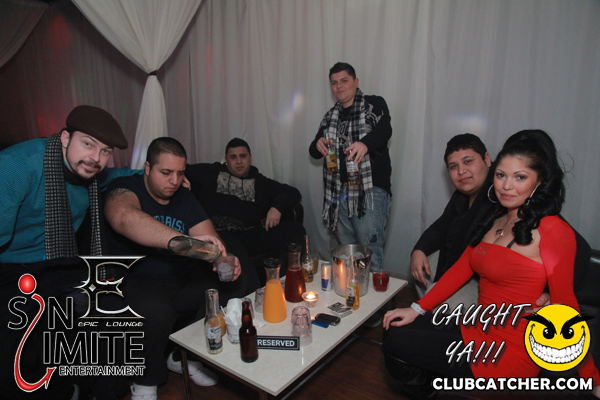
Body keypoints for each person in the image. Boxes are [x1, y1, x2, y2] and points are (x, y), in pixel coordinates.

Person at [383, 130, 600, 398]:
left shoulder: (552, 228)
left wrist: (592, 379)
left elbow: (568, 308)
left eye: (520, 177)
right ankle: (434, 388)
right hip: (477, 326)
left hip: (509, 349)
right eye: (501, 175)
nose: (506, 186)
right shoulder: (496, 219)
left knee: (398, 340)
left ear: (539, 181)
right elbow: (461, 269)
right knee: (395, 327)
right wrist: (417, 307)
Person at [0, 105, 131, 400]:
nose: (96, 158)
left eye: (105, 151)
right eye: (88, 144)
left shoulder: (91, 173)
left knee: (111, 318)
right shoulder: (16, 166)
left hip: (60, 264)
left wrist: (159, 177)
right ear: (64, 138)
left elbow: (121, 174)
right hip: (11, 268)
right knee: (10, 359)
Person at [104, 137, 243, 400]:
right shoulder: (125, 189)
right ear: (147, 168)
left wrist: (222, 258)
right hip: (136, 275)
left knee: (227, 287)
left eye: (180, 173)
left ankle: (185, 357)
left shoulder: (184, 197)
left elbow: (211, 239)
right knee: (156, 310)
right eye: (166, 172)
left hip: (179, 275)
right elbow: (124, 218)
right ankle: (145, 383)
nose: (174, 180)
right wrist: (183, 242)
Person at [309, 62, 392, 271]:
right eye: (334, 83)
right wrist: (318, 143)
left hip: (370, 191)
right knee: (348, 253)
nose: (339, 86)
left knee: (369, 249)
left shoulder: (373, 104)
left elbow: (385, 130)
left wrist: (365, 144)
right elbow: (313, 151)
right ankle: (353, 290)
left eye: (344, 80)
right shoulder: (330, 116)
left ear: (356, 82)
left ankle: (375, 293)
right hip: (339, 193)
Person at [186, 137, 305, 283]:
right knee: (232, 245)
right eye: (233, 157)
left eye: (243, 156)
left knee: (295, 230)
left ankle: (287, 281)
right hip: (221, 233)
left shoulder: (260, 182)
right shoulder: (212, 172)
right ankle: (253, 292)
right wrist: (181, 178)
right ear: (226, 159)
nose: (238, 161)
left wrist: (276, 208)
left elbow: (292, 192)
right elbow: (182, 169)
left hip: (250, 233)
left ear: (250, 158)